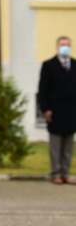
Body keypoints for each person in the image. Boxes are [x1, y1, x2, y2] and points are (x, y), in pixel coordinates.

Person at [37, 36, 76, 185]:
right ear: (57, 47)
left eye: (67, 45)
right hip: (54, 112)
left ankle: (66, 173)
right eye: (62, 45)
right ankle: (56, 173)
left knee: (68, 146)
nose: (65, 47)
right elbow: (42, 90)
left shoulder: (74, 64)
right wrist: (45, 109)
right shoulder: (48, 65)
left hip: (71, 112)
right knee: (55, 145)